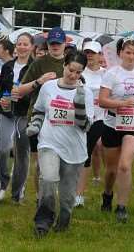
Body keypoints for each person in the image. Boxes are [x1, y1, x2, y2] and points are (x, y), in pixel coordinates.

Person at [30, 52, 93, 237]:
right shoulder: (49, 87)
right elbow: (39, 110)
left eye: (78, 72)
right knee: (48, 179)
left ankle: (64, 219)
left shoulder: (85, 93)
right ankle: (43, 221)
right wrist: (34, 125)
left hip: (74, 148)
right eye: (70, 70)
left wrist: (79, 105)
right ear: (64, 66)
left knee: (67, 195)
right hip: (49, 142)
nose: (73, 75)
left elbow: (85, 126)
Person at [98, 35, 134, 222]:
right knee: (112, 170)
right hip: (113, 123)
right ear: (121, 53)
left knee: (124, 165)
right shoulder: (112, 74)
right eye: (128, 52)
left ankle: (122, 207)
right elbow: (102, 100)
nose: (131, 56)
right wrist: (120, 103)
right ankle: (107, 194)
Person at [17, 27, 67, 202]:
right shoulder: (38, 63)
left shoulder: (71, 63)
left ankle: (57, 193)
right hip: (39, 117)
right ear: (47, 44)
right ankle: (41, 197)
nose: (55, 46)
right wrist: (39, 81)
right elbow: (19, 91)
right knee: (40, 162)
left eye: (58, 43)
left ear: (65, 44)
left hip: (63, 119)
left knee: (61, 161)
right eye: (52, 43)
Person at [0, 33, 34, 202]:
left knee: (21, 154)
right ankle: (2, 183)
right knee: (1, 149)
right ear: (15, 46)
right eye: (19, 44)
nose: (22, 47)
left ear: (31, 46)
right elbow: (3, 88)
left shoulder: (35, 67)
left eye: (26, 44)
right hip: (7, 112)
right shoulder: (8, 66)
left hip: (24, 114)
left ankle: (17, 192)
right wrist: (3, 99)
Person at [74, 41, 106, 207]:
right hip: (78, 118)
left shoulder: (105, 74)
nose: (90, 56)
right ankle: (71, 188)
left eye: (93, 53)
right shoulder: (78, 72)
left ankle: (79, 194)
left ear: (100, 55)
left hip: (98, 120)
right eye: (87, 52)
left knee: (85, 155)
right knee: (74, 154)